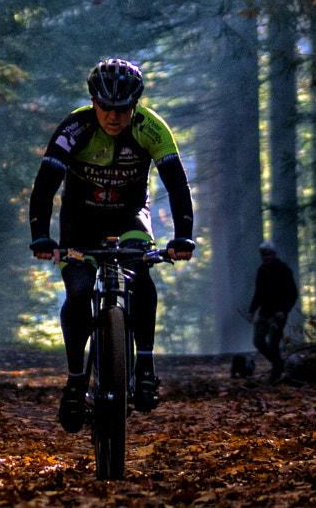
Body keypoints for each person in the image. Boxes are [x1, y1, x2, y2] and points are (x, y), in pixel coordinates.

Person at [30, 57, 196, 432]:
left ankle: (146, 365)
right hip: (80, 220)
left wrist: (183, 235)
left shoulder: (152, 129)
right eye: (106, 107)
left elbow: (177, 185)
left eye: (123, 109)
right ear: (93, 102)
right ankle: (75, 381)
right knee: (78, 292)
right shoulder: (75, 127)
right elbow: (44, 186)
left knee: (140, 275)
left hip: (130, 216)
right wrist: (41, 236)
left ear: (135, 105)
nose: (114, 117)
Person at [247, 241, 298, 381]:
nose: (266, 257)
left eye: (268, 254)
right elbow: (257, 293)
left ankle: (276, 372)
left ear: (274, 254)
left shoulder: (284, 270)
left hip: (278, 315)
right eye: (264, 255)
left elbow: (293, 293)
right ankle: (278, 364)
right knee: (258, 341)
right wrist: (251, 311)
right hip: (264, 313)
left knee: (273, 344)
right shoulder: (261, 271)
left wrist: (284, 311)